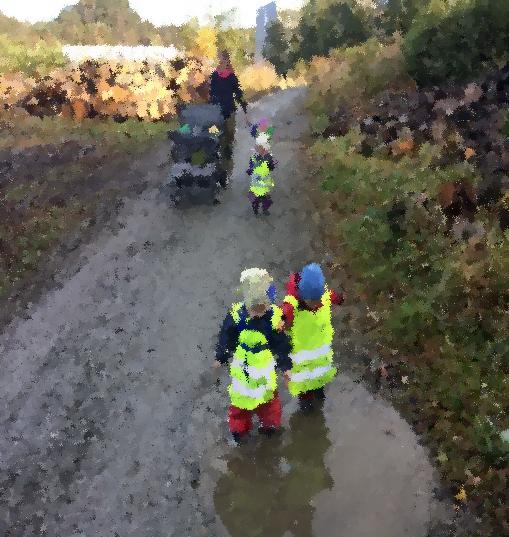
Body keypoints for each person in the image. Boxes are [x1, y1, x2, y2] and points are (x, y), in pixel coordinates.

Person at [215, 268, 291, 444]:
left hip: (264, 372)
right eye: (254, 309)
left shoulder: (274, 319)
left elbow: (281, 345)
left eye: (262, 309)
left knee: (269, 404)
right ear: (246, 303)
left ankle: (270, 428)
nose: (258, 314)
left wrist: (286, 367)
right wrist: (221, 356)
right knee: (239, 405)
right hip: (243, 371)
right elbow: (226, 337)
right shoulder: (235, 316)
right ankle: (239, 431)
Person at [281, 263, 345, 412]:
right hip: (301, 359)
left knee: (319, 378)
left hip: (320, 353)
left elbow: (335, 297)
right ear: (303, 296)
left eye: (318, 300)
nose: (317, 305)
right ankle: (306, 405)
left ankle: (318, 393)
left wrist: (341, 299)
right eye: (312, 302)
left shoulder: (324, 296)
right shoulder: (291, 307)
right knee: (304, 387)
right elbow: (279, 323)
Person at [209, 50, 248, 185]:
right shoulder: (214, 75)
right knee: (214, 140)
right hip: (215, 114)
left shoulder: (231, 76)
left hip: (229, 113)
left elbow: (238, 93)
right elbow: (210, 94)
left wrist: (245, 109)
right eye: (220, 59)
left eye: (223, 59)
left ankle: (227, 171)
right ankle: (219, 171)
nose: (221, 61)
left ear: (227, 60)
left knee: (228, 142)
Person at [246, 133, 277, 216]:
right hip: (258, 183)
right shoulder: (258, 157)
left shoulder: (265, 157)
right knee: (260, 199)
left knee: (263, 199)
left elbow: (272, 167)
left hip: (261, 183)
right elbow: (272, 167)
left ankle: (261, 209)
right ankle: (259, 209)